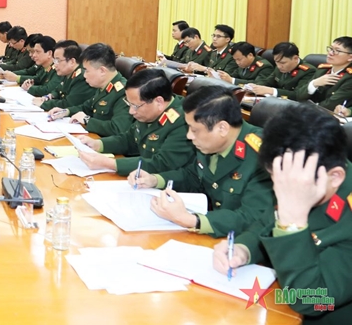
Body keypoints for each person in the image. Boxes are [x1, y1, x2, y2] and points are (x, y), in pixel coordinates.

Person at [212, 104, 352, 323]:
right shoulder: (297, 176)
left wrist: (293, 220)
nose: (281, 189)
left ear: (335, 177)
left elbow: (313, 300)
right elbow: (266, 223)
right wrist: (243, 249)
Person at [129, 86, 273, 237]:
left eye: (194, 130)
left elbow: (253, 217)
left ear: (222, 128)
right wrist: (154, 180)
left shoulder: (264, 156)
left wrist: (191, 220)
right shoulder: (211, 144)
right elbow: (193, 175)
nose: (189, 136)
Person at [77, 68, 195, 176]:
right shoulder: (149, 113)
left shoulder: (185, 121)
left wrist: (111, 164)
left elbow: (162, 163)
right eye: (129, 104)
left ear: (158, 102)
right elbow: (129, 139)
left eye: (135, 106)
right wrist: (98, 144)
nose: (131, 111)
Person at [51, 43, 133, 137]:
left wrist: (87, 120)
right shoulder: (103, 85)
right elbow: (86, 107)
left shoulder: (124, 92)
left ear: (102, 71)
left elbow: (117, 128)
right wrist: (66, 111)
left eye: (87, 70)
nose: (84, 75)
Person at [246, 42, 315, 100]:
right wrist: (254, 87)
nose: (279, 66)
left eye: (283, 63)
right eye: (276, 62)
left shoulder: (308, 71)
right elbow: (267, 81)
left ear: (295, 58)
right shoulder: (279, 67)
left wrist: (271, 91)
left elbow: (297, 95)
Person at [37, 41, 93, 111]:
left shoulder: (82, 77)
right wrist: (48, 96)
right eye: (54, 61)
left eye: (58, 61)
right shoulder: (67, 73)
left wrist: (44, 104)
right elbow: (58, 90)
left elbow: (68, 104)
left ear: (72, 62)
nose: (55, 65)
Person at [305, 36, 352, 115]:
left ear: (350, 57)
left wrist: (305, 108)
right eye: (330, 49)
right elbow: (299, 95)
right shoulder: (322, 70)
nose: (330, 53)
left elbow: (330, 105)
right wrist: (314, 84)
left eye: (337, 51)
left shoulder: (349, 77)